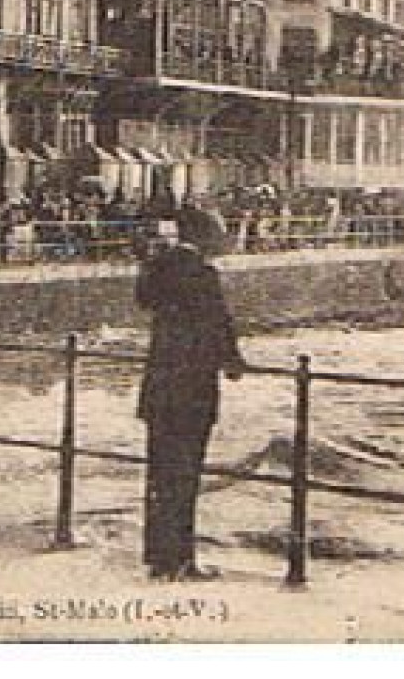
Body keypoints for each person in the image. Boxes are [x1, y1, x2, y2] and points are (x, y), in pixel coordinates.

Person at [136, 206, 246, 581]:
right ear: (201, 236)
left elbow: (144, 299)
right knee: (185, 477)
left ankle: (159, 558)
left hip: (159, 387)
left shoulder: (160, 266)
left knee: (159, 475)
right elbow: (218, 325)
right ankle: (182, 560)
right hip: (192, 391)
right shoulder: (202, 274)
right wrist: (233, 363)